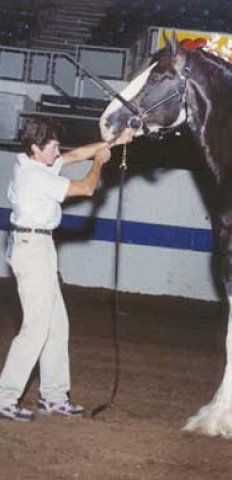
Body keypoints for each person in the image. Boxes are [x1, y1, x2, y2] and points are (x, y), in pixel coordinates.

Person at [0, 118, 131, 421]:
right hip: (32, 249)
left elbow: (73, 156)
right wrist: (100, 162)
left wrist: (115, 142)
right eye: (53, 146)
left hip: (39, 247)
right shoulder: (34, 176)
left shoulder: (34, 161)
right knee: (35, 327)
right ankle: (6, 396)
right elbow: (86, 188)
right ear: (36, 148)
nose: (59, 151)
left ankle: (54, 395)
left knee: (56, 324)